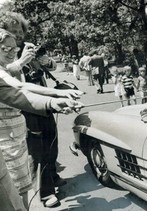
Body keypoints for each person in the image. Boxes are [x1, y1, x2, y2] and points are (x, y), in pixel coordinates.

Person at [0, 13, 83, 208]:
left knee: (51, 143)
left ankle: (51, 178)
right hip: (25, 107)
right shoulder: (10, 58)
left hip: (40, 101)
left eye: (20, 32)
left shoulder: (22, 49)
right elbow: (17, 86)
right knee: (35, 151)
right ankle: (43, 193)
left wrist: (42, 59)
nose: (19, 36)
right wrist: (20, 60)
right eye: (13, 32)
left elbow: (50, 68)